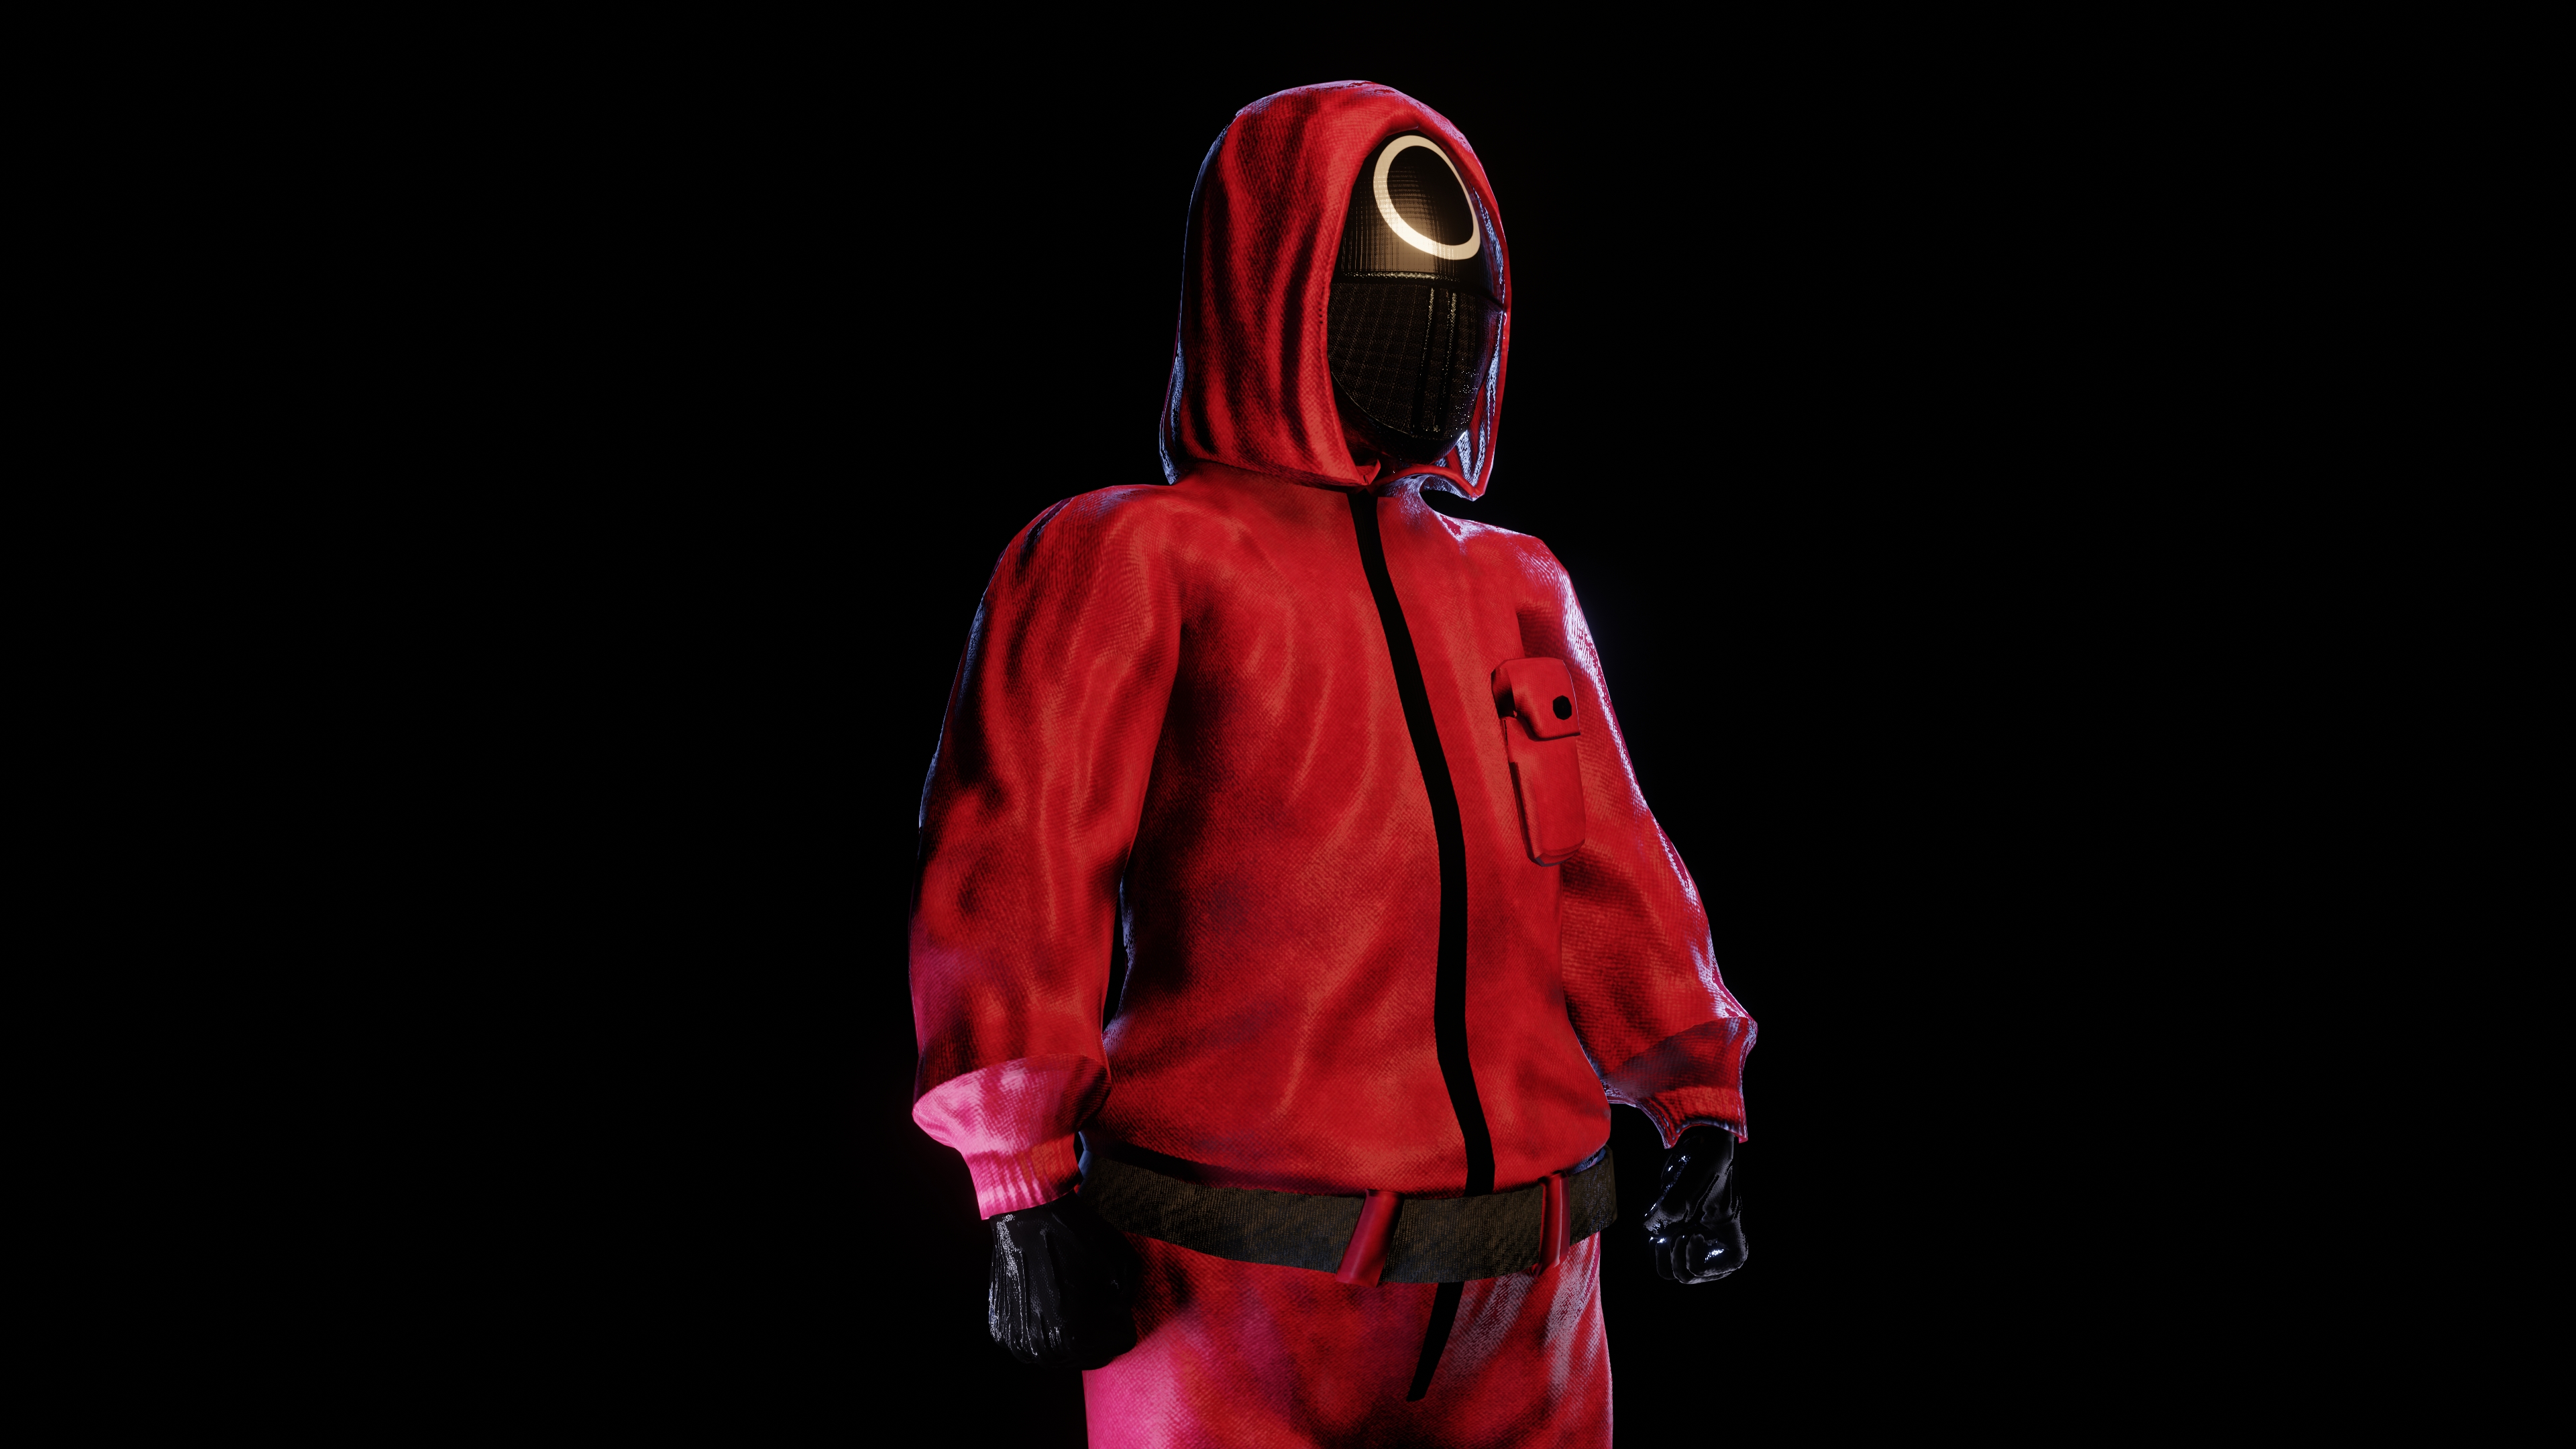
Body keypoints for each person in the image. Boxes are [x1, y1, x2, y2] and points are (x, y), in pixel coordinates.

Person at [908, 80, 1753, 1446]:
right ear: (1270, 286)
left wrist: (1699, 1099)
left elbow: (1609, 869)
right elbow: (1017, 871)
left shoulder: (1516, 586)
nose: (1431, 335)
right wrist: (1021, 1184)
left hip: (1533, 1290)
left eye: (1458, 301)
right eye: (1384, 295)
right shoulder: (1137, 559)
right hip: (1242, 1284)